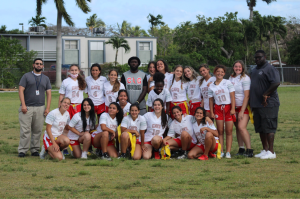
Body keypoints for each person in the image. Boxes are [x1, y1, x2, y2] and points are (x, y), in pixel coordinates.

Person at [18, 58, 52, 158]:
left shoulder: (46, 78)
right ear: (33, 65)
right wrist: (23, 105)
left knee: (37, 130)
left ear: (42, 66)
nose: (38, 65)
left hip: (40, 108)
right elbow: (20, 90)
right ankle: (23, 150)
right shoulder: (26, 76)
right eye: (37, 63)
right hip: (27, 107)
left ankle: (34, 149)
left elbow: (49, 93)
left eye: (40, 64)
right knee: (25, 130)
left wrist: (47, 108)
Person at [250, 50, 280, 159]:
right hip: (257, 104)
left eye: (259, 57)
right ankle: (265, 149)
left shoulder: (270, 68)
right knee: (260, 128)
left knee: (269, 127)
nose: (257, 59)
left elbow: (276, 83)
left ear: (265, 57)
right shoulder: (254, 70)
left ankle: (271, 152)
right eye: (256, 58)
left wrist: (266, 94)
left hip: (268, 103)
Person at [208, 65, 235, 158]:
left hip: (227, 107)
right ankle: (221, 150)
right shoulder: (211, 85)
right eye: (218, 71)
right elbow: (211, 100)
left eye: (222, 72)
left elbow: (232, 96)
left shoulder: (227, 82)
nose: (220, 73)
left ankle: (228, 152)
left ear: (224, 73)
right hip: (218, 108)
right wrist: (212, 112)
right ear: (215, 72)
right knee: (220, 131)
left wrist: (232, 108)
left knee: (229, 131)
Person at [59, 64, 86, 155]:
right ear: (69, 71)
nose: (74, 72)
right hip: (68, 106)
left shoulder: (82, 81)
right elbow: (62, 95)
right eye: (72, 70)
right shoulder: (66, 81)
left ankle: (77, 146)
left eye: (76, 70)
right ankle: (65, 147)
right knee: (66, 127)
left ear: (79, 71)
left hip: (79, 106)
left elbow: (88, 93)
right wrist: (60, 107)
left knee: (78, 127)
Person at [229, 60, 253, 157]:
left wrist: (242, 111)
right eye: (236, 66)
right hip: (234, 107)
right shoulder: (231, 77)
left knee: (241, 127)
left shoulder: (245, 78)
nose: (237, 68)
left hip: (243, 106)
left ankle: (249, 150)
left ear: (242, 68)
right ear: (233, 67)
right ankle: (241, 148)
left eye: (239, 67)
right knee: (237, 129)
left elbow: (247, 96)